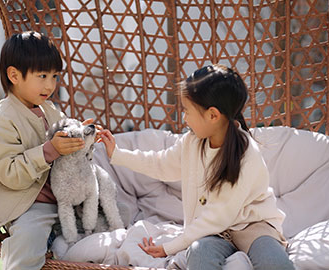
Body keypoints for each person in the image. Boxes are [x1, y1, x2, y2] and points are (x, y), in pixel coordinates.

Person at [99, 64, 294, 269]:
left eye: (187, 110)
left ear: (212, 115)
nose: (184, 118)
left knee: (274, 261)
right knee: (199, 253)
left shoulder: (246, 155)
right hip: (215, 232)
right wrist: (118, 154)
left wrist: (170, 247)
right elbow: (160, 164)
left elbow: (217, 216)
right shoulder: (192, 143)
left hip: (253, 224)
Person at [0, 31, 96, 270]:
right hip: (30, 204)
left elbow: (65, 128)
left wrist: (80, 133)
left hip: (63, 195)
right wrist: (48, 151)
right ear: (14, 75)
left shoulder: (47, 109)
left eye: (54, 76)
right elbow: (9, 173)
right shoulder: (1, 120)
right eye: (42, 75)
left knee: (112, 209)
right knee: (28, 238)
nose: (50, 85)